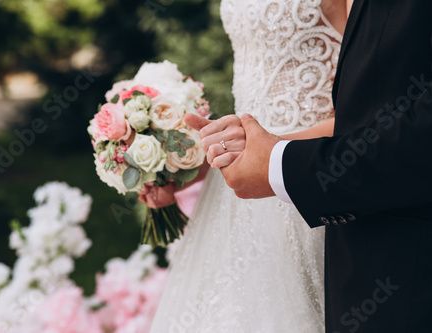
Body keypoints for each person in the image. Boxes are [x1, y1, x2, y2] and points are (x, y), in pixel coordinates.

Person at [190, 0, 432, 332]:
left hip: (321, 185)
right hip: (255, 180)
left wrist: (278, 159)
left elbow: (366, 107)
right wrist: (207, 154)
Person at [147, 1, 351, 332]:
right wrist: (193, 161)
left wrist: (271, 154)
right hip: (236, 184)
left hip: (309, 176)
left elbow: (371, 111)